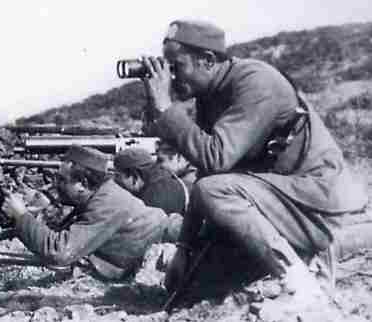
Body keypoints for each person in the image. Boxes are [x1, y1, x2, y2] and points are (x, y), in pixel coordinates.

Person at [138, 19, 368, 300]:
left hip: (315, 205)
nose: (171, 78)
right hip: (276, 203)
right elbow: (204, 175)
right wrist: (184, 249)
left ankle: (300, 279)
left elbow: (215, 161)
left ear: (208, 60)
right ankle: (294, 258)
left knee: (215, 190)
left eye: (177, 67)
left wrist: (165, 106)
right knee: (189, 287)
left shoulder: (256, 81)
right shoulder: (210, 96)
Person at [1, 145, 182, 280]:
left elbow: (60, 253)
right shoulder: (100, 191)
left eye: (63, 180)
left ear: (83, 184)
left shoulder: (106, 203)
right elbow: (64, 224)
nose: (57, 185)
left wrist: (22, 216)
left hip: (171, 247)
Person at [113, 147, 191, 215]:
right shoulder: (171, 179)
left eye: (118, 176)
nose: (116, 182)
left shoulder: (151, 201)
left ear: (134, 175)